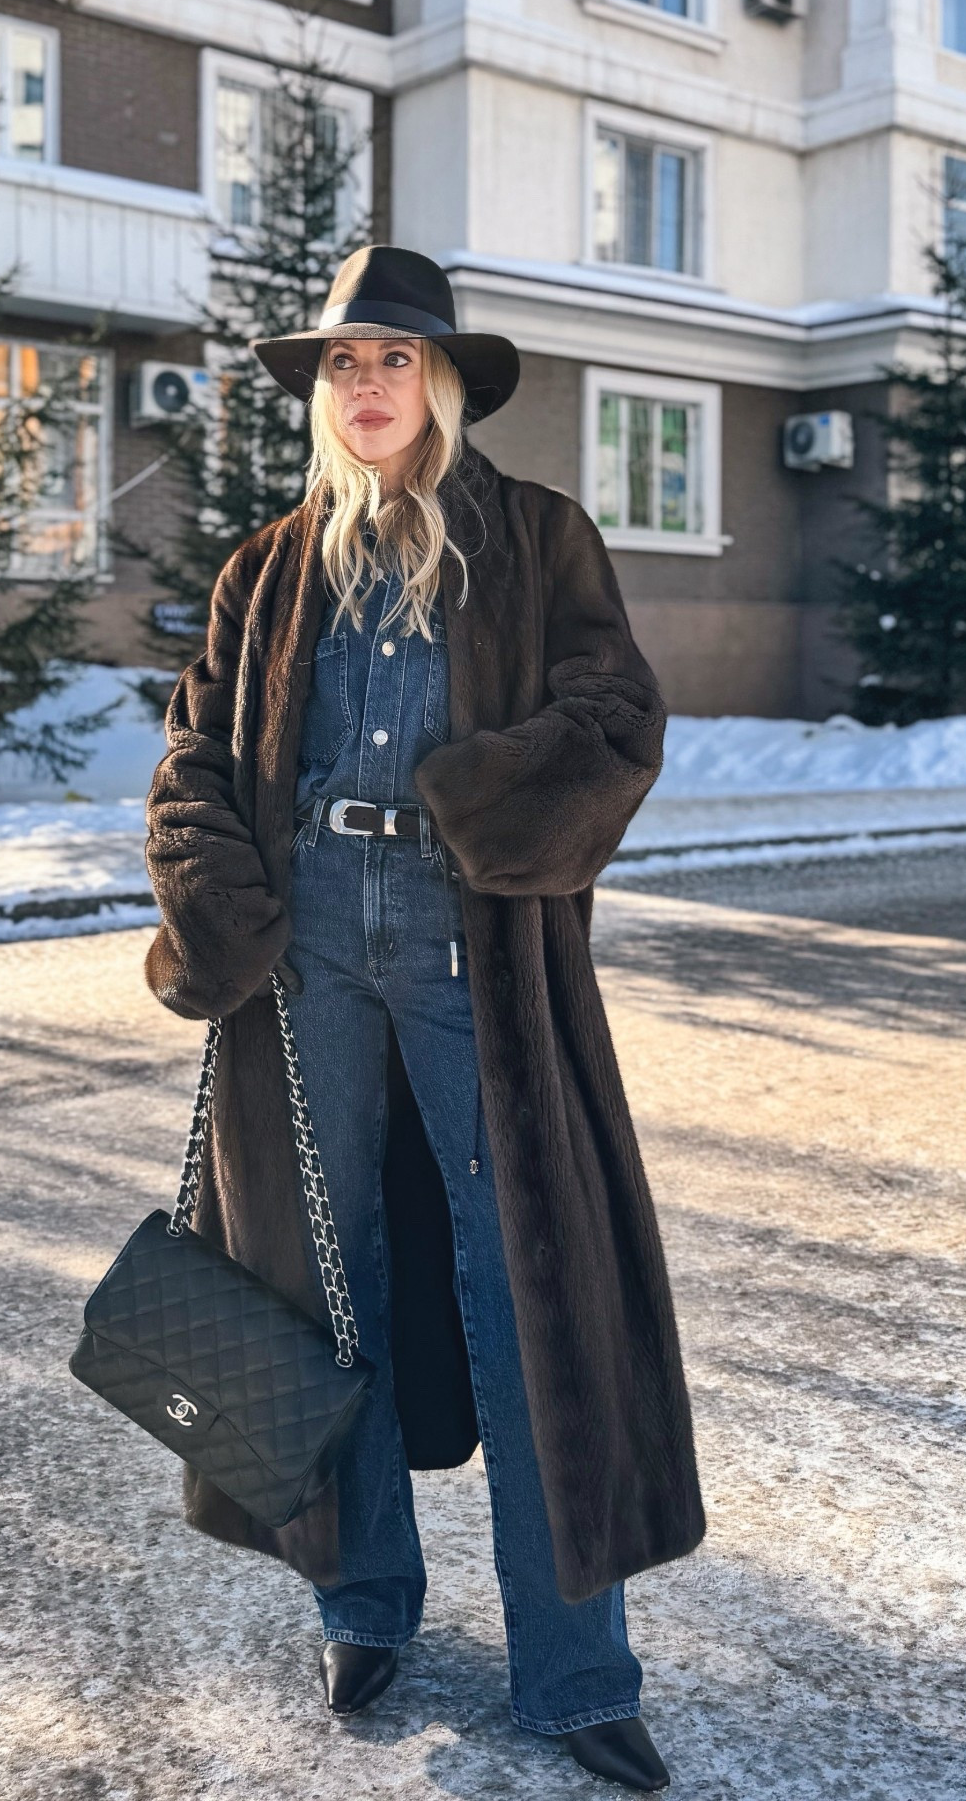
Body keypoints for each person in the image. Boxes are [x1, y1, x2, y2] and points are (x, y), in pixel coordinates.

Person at [143, 245, 705, 1791]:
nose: (367, 384)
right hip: (306, 954)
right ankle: (364, 1601)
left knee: (528, 1293)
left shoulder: (537, 540)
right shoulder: (268, 568)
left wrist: (473, 804)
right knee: (328, 1282)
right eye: (343, 364)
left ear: (444, 381)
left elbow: (614, 723)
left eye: (395, 359)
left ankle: (579, 1669)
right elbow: (193, 760)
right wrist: (224, 907)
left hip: (476, 957)